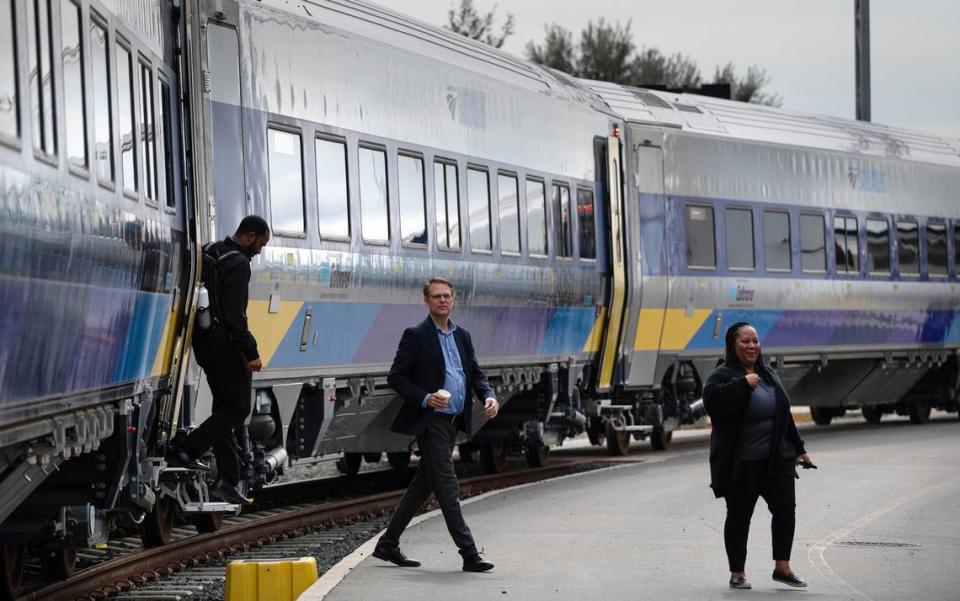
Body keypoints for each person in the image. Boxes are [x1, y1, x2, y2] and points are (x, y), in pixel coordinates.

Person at [372, 277, 499, 572]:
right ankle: (469, 554)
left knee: (421, 487)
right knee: (447, 486)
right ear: (426, 302)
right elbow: (397, 377)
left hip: (453, 422)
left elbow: (476, 375)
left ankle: (388, 544)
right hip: (431, 422)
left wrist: (489, 397)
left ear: (453, 300)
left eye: (447, 296)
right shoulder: (416, 335)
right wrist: (425, 398)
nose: (442, 300)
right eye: (436, 296)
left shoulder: (463, 336)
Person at [703, 322, 815, 590]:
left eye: (755, 341)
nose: (752, 346)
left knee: (786, 509)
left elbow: (784, 415)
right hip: (741, 464)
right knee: (740, 516)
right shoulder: (722, 376)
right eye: (745, 341)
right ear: (732, 345)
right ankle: (737, 573)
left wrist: (799, 449)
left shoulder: (768, 374)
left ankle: (782, 567)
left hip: (776, 460)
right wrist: (742, 385)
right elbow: (713, 404)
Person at [167, 216, 270, 505]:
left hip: (204, 343)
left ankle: (227, 477)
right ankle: (187, 450)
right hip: (226, 346)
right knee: (238, 409)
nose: (259, 251)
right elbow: (235, 315)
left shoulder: (212, 251)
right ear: (250, 235)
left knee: (223, 409)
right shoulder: (238, 263)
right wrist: (251, 352)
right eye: (260, 244)